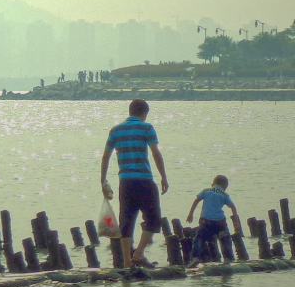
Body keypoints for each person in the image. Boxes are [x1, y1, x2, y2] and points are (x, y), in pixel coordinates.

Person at [99, 99, 169, 269]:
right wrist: (163, 177)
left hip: (125, 182)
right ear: (144, 113)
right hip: (144, 179)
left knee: (126, 221)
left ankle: (127, 262)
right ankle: (138, 254)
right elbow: (155, 153)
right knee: (153, 220)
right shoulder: (147, 128)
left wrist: (103, 180)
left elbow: (106, 156)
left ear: (130, 111)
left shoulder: (115, 130)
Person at [185, 175, 239, 268]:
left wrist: (191, 214)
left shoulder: (206, 191)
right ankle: (227, 258)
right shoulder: (224, 194)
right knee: (225, 240)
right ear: (225, 186)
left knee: (199, 239)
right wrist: (236, 221)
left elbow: (196, 200)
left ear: (212, 184)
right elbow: (232, 206)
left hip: (206, 220)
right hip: (220, 222)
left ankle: (194, 258)